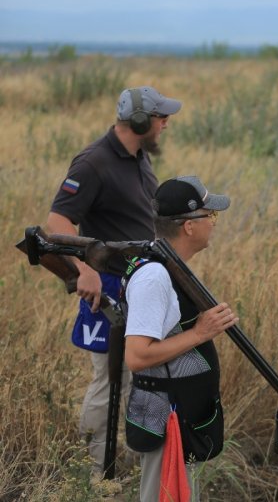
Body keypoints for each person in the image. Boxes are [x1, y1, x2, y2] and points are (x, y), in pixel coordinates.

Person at [46, 86, 182, 477]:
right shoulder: (94, 162)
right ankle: (96, 471)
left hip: (142, 283)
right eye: (161, 117)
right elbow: (58, 222)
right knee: (109, 378)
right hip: (108, 287)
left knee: (136, 375)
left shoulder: (139, 159)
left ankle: (121, 461)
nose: (166, 123)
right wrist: (84, 270)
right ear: (141, 122)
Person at [122, 175, 238, 501]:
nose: (214, 223)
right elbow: (137, 355)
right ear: (189, 226)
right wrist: (200, 333)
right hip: (165, 416)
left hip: (179, 414)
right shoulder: (154, 276)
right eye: (210, 216)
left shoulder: (169, 265)